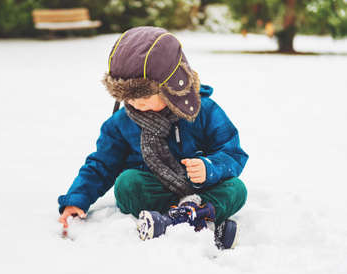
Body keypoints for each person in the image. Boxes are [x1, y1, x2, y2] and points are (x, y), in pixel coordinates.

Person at [58, 26, 248, 249]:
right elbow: (101, 164)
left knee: (236, 189)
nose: (137, 104)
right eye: (128, 98)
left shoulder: (203, 110)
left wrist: (210, 167)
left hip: (200, 190)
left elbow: (233, 152)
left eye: (145, 96)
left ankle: (179, 217)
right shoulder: (121, 123)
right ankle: (199, 217)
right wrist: (76, 199)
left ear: (170, 86)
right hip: (156, 190)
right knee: (127, 184)